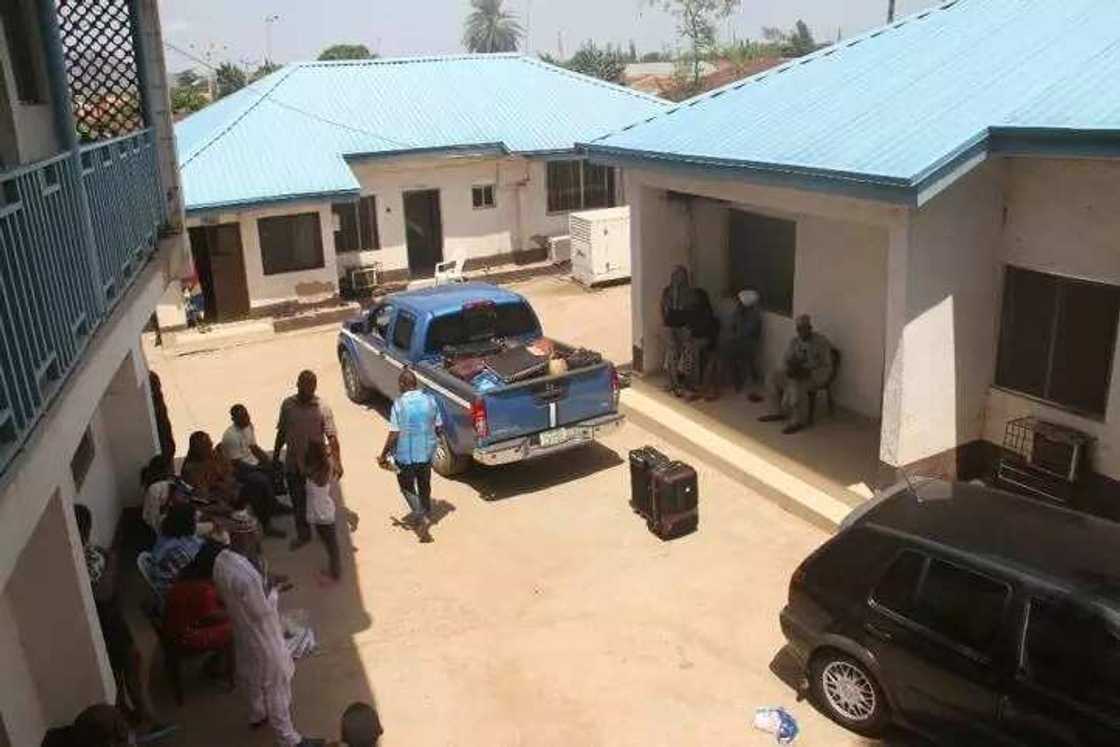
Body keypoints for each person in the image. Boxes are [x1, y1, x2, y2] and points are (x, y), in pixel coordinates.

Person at [195, 542, 323, 747]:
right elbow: (262, 612)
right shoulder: (246, 577)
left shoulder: (220, 565)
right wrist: (274, 591)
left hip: (243, 633)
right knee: (278, 685)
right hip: (263, 639)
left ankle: (257, 713)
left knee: (251, 676)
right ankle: (289, 740)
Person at [74, 505, 177, 743]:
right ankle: (145, 719)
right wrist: (111, 562)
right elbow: (102, 591)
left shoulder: (84, 552)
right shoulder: (80, 558)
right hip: (106, 622)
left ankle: (132, 715)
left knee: (121, 672)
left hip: (109, 620)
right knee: (130, 665)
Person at [274, 370, 342, 551]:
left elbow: (332, 437)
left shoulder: (323, 407)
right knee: (297, 501)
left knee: (319, 502)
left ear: (315, 387)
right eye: (304, 386)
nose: (307, 390)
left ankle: (324, 533)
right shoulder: (287, 405)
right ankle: (303, 535)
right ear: (297, 384)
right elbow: (281, 432)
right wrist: (275, 456)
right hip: (293, 464)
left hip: (315, 466)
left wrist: (337, 461)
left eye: (311, 387)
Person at [182, 431, 285, 538]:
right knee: (254, 485)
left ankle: (267, 522)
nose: (210, 447)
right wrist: (218, 486)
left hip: (232, 491)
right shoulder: (191, 469)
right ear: (197, 449)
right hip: (217, 501)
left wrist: (227, 481)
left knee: (258, 483)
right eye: (206, 445)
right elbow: (201, 494)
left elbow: (229, 472)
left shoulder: (214, 456)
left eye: (210, 444)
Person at [378, 368, 442, 541]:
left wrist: (383, 454)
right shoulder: (430, 401)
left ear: (402, 384)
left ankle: (420, 513)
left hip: (405, 455)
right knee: (424, 481)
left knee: (406, 485)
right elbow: (438, 427)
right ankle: (427, 511)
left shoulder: (399, 404)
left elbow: (394, 433)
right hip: (426, 451)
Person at [759, 314, 834, 434]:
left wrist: (809, 372)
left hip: (814, 375)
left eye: (804, 328)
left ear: (810, 328)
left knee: (796, 385)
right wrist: (791, 366)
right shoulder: (795, 342)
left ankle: (798, 421)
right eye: (799, 329)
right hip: (796, 372)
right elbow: (786, 360)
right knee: (772, 377)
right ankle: (777, 412)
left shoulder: (821, 342)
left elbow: (827, 366)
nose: (801, 332)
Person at [223, 403, 291, 525]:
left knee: (277, 466)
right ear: (233, 419)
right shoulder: (230, 436)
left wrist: (268, 461)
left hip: (252, 463)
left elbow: (254, 448)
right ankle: (270, 508)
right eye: (242, 417)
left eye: (247, 415)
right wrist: (259, 469)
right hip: (239, 470)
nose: (246, 419)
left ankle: (273, 502)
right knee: (261, 479)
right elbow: (237, 463)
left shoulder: (248, 426)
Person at [143, 503, 204, 607]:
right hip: (173, 594)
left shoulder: (167, 536)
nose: (196, 523)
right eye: (194, 520)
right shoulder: (177, 551)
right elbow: (193, 574)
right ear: (187, 523)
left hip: (170, 581)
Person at [708, 289, 763, 398]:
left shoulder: (754, 316)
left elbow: (744, 333)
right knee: (720, 352)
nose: (737, 303)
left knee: (723, 353)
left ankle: (717, 388)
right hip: (737, 343)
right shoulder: (739, 312)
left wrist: (731, 338)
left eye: (739, 301)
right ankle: (721, 385)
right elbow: (732, 327)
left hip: (748, 345)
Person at [305, 441, 341, 583]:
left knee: (332, 546)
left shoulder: (320, 471)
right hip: (321, 514)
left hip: (323, 515)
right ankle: (334, 570)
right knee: (329, 544)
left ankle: (335, 573)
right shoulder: (321, 468)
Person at [660, 266, 693, 396]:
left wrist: (689, 326)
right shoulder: (667, 291)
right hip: (670, 324)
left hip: (684, 325)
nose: (678, 278)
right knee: (672, 353)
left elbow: (690, 309)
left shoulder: (689, 292)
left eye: (681, 275)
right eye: (676, 275)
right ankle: (673, 383)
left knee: (686, 353)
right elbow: (662, 306)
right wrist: (664, 320)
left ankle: (684, 382)